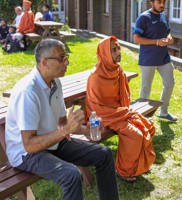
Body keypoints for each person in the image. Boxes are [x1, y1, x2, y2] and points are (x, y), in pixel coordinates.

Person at [5, 38, 119, 200]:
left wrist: (87, 129)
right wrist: (65, 131)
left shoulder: (55, 83)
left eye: (66, 57)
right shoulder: (28, 92)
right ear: (45, 63)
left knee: (104, 153)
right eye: (61, 58)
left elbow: (62, 123)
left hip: (52, 142)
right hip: (25, 154)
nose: (67, 62)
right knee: (71, 174)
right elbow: (29, 145)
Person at [85, 36, 156, 182]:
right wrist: (120, 113)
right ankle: (123, 171)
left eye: (118, 48)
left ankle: (136, 165)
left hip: (119, 112)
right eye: (113, 50)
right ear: (104, 53)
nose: (118, 52)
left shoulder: (117, 69)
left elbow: (123, 97)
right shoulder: (95, 76)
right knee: (135, 135)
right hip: (104, 117)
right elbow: (95, 108)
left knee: (148, 127)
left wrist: (123, 111)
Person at [133, 0, 177, 122]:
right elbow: (136, 39)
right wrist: (157, 42)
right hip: (148, 59)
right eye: (159, 2)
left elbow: (168, 32)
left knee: (170, 83)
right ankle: (142, 117)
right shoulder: (143, 17)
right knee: (146, 89)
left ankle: (164, 112)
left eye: (164, 2)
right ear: (151, 2)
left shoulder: (163, 15)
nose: (162, 5)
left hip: (164, 58)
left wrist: (169, 38)